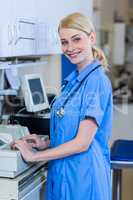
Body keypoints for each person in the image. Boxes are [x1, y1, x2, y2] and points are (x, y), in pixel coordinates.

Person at [12, 12, 113, 200]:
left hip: (83, 176)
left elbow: (83, 142)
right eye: (64, 42)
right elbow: (71, 129)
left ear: (91, 38)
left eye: (76, 39)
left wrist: (33, 156)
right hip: (63, 172)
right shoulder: (73, 81)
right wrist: (46, 143)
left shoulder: (96, 81)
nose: (70, 48)